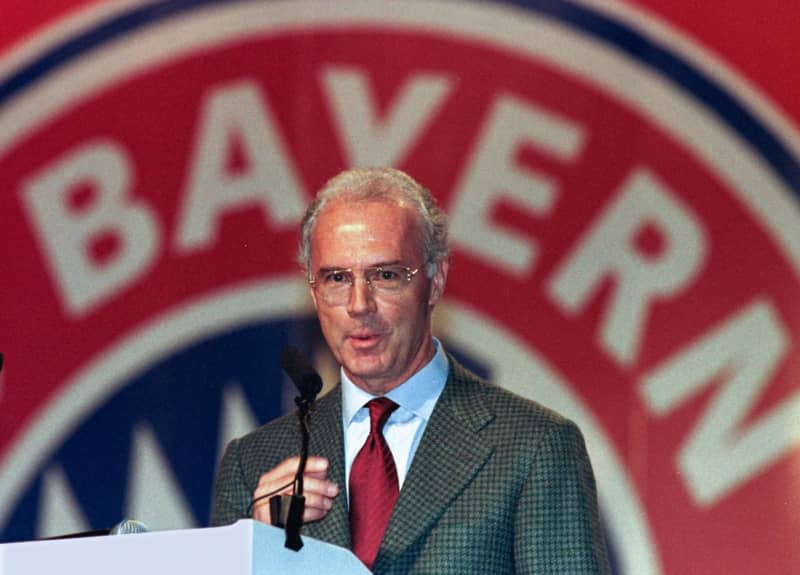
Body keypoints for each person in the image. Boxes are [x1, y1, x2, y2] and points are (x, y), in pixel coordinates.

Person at [211, 167, 611, 574]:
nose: (359, 304)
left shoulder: (534, 447)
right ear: (314, 292)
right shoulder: (254, 464)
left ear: (435, 282)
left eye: (385, 275)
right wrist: (258, 553)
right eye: (336, 278)